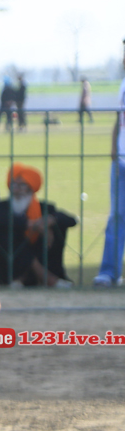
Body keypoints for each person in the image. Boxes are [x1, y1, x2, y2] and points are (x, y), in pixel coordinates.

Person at [0, 163, 76, 288]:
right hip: (8, 268)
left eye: (22, 185)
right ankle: (46, 279)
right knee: (7, 232)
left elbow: (71, 221)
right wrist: (32, 224)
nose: (17, 190)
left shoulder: (45, 208)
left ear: (31, 188)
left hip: (42, 257)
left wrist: (50, 220)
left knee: (57, 227)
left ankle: (35, 276)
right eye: (14, 185)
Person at [93, 40, 125, 287]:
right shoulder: (123, 83)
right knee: (117, 217)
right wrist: (114, 148)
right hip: (121, 162)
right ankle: (109, 271)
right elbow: (119, 117)